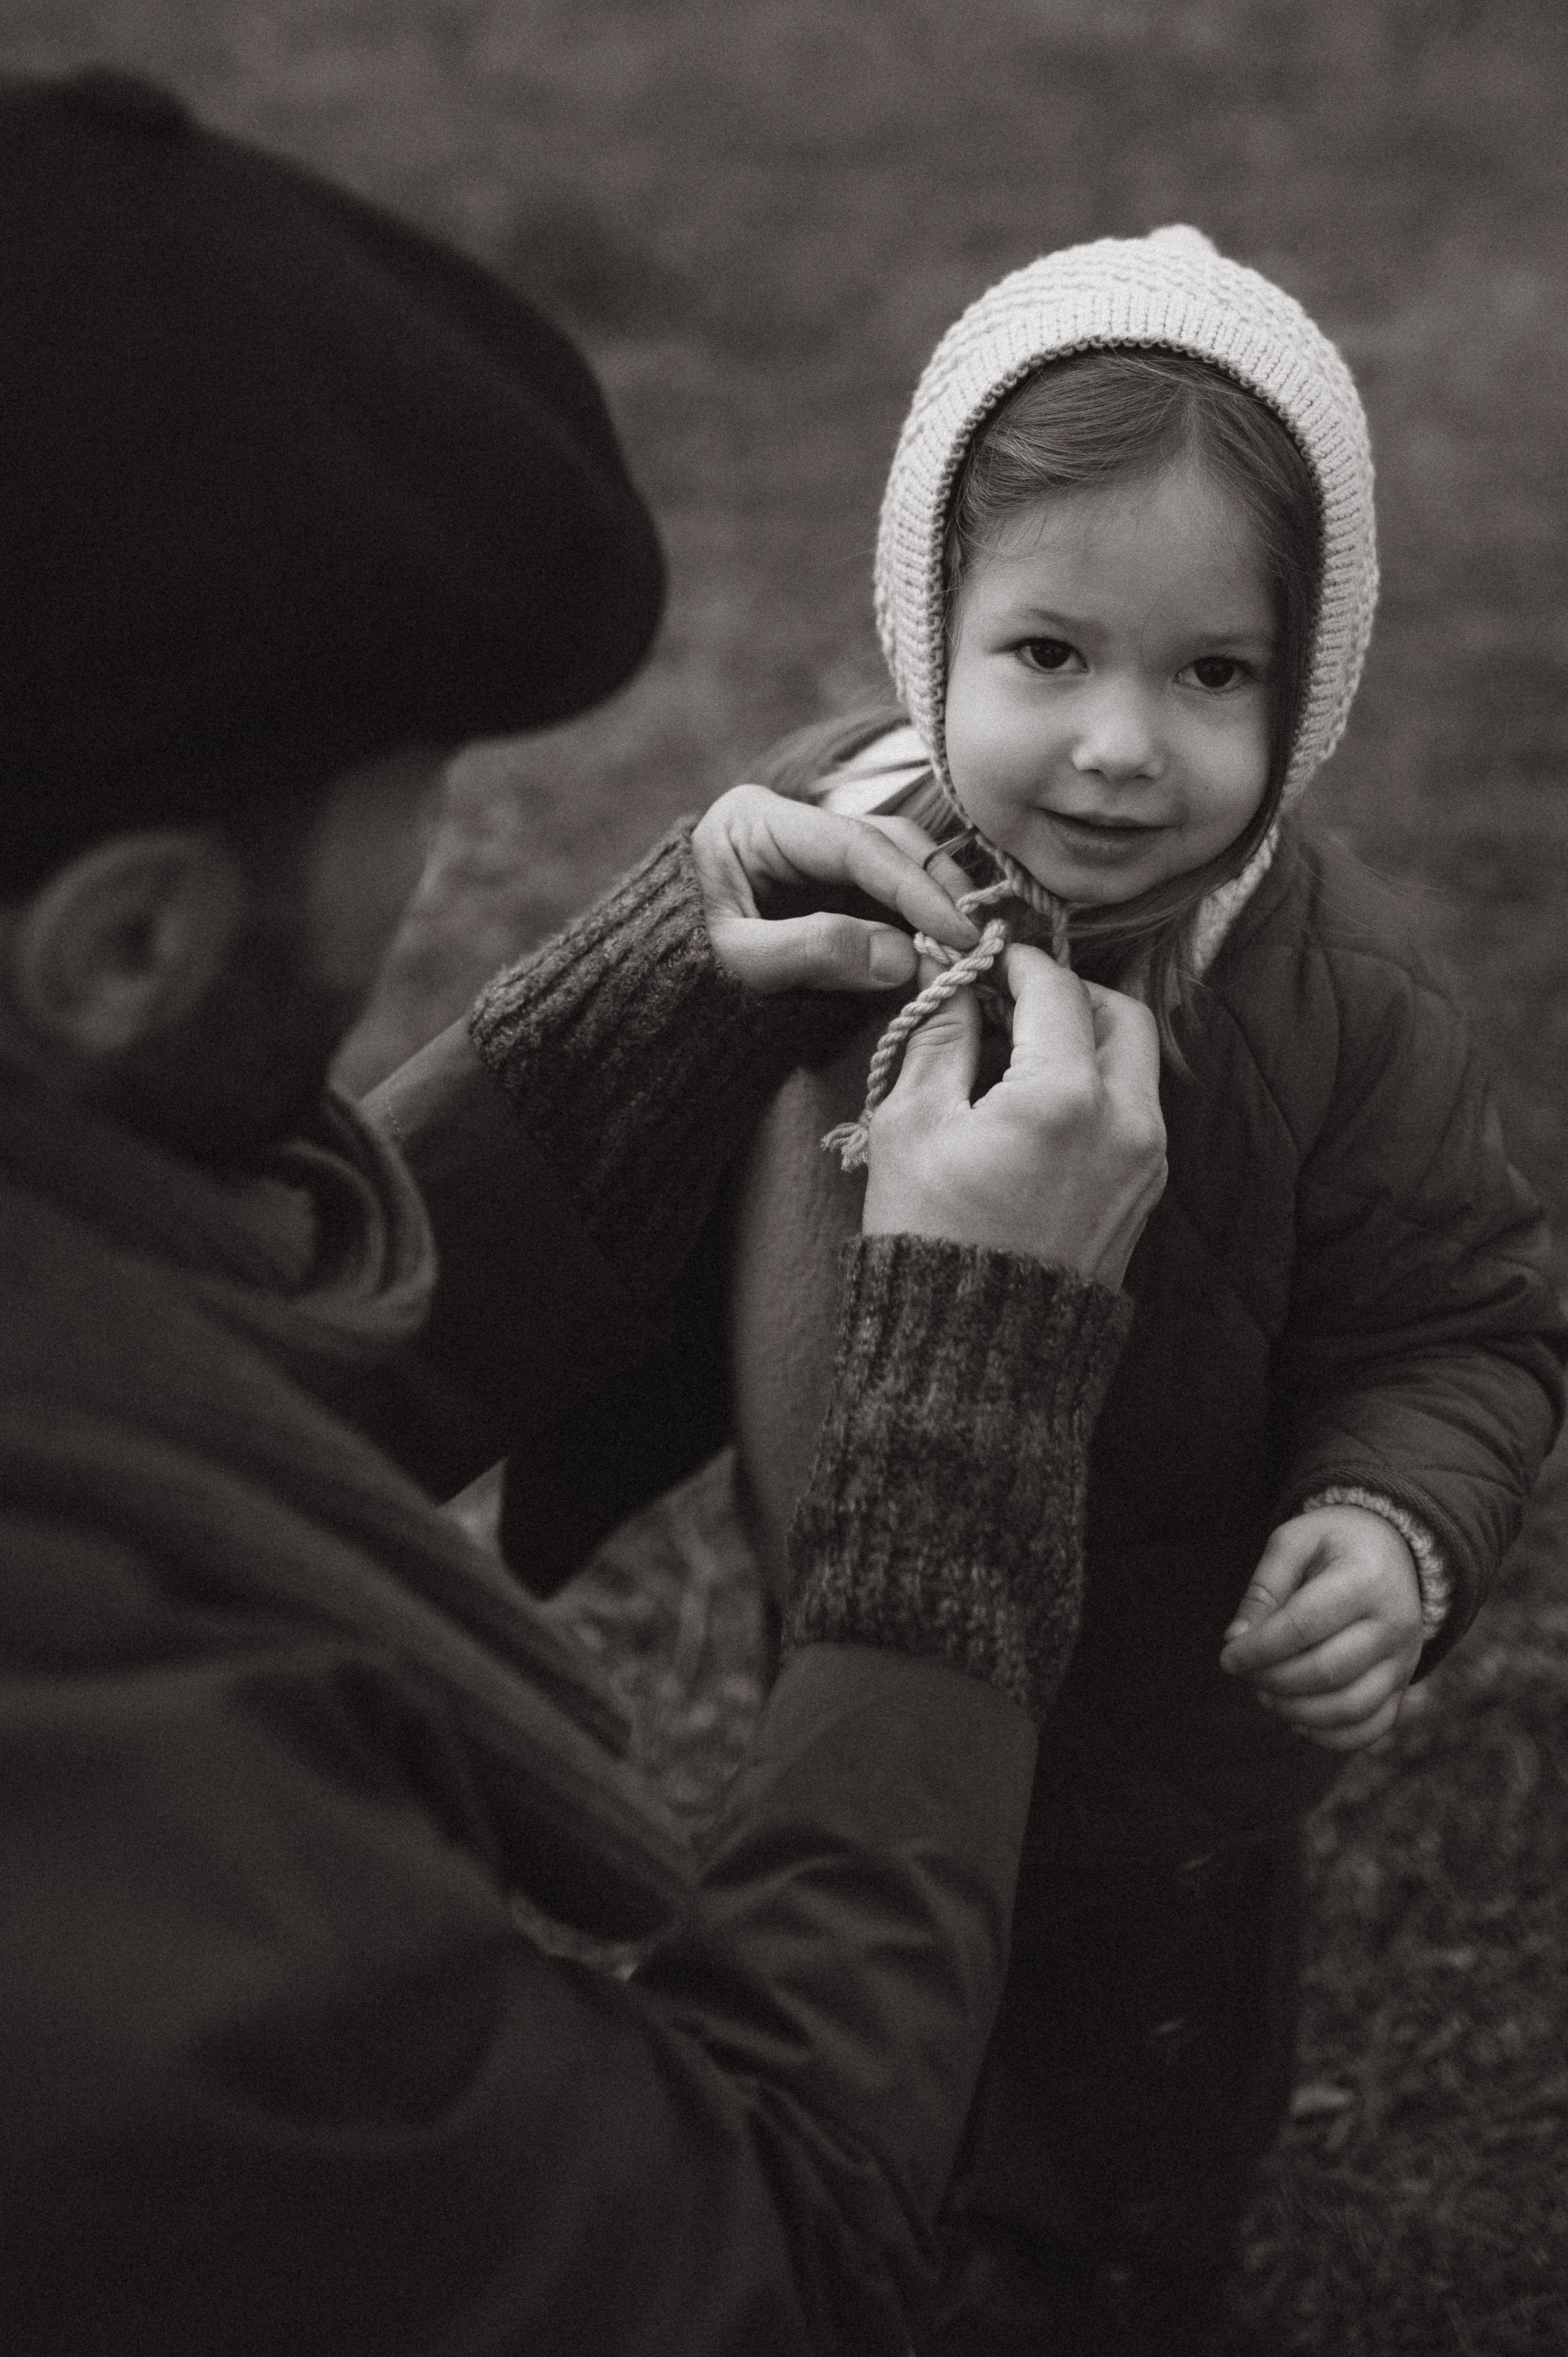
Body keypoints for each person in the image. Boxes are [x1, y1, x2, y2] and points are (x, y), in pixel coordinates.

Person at [0, 67, 1172, 2357]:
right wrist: (957, 1418)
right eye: (415, 794)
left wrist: (628, 1039)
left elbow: (169, 1421)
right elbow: (748, 2262)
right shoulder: (123, 1841)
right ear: (125, 945)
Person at [723, 227, 1568, 2352]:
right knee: (866, 2058)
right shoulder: (839, 857)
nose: (1116, 747)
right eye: (1047, 652)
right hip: (855, 1658)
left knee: (1119, 2133)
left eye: (1211, 676)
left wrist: (1393, 1517)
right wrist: (709, 890)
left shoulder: (1339, 1011)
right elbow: (678, 1094)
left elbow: (1459, 1329)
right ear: (929, 626)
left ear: (1311, 680)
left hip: (1161, 1751)